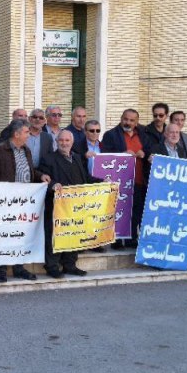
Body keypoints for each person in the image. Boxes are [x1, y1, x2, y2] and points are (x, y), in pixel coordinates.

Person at [0, 119, 47, 282]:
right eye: (26, 132)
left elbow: (30, 171)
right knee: (4, 235)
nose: (29, 135)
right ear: (16, 134)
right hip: (5, 201)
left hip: (25, 201)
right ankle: (1, 270)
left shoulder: (26, 150)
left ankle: (19, 268)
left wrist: (41, 176)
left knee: (21, 235)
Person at [42, 130, 98, 278]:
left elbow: (85, 178)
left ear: (72, 142)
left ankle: (70, 265)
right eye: (61, 140)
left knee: (74, 234)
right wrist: (53, 184)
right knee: (55, 236)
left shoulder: (77, 157)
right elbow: (43, 179)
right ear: (56, 141)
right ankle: (52, 266)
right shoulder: (48, 158)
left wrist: (103, 181)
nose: (64, 143)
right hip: (57, 206)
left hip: (77, 205)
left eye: (67, 140)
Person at [102, 108, 149, 248]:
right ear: (121, 118)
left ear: (137, 122)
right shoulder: (110, 134)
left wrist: (144, 153)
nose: (128, 122)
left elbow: (150, 150)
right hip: (119, 180)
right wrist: (122, 154)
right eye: (125, 119)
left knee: (135, 211)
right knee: (117, 210)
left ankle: (131, 239)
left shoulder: (143, 134)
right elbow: (105, 156)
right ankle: (116, 240)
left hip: (138, 179)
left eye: (131, 120)